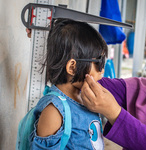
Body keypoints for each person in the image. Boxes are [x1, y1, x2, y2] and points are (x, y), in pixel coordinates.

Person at [29, 19, 108, 149]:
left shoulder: (86, 98)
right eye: (99, 63)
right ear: (72, 67)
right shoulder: (54, 112)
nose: (103, 70)